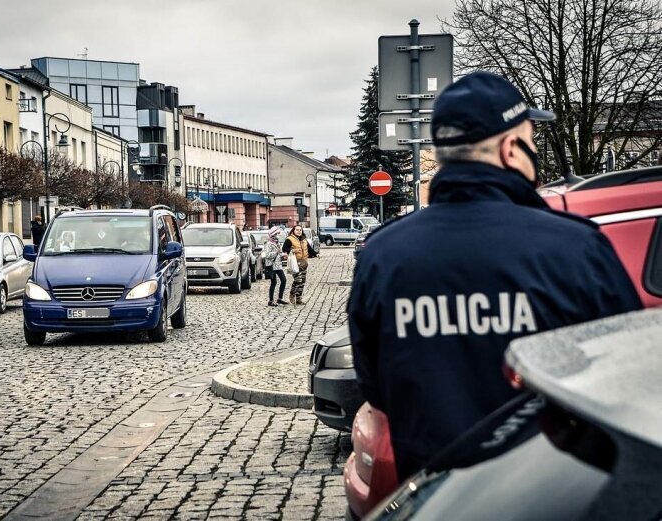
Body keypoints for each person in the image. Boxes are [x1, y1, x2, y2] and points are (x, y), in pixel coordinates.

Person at [348, 71, 642, 481]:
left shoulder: (382, 256)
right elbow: (629, 383)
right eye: (532, 141)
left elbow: (375, 388)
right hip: (553, 496)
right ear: (510, 148)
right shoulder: (576, 249)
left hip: (438, 499)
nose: (534, 151)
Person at [282, 224, 317, 305]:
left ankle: (298, 299)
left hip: (304, 263)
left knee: (302, 281)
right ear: (293, 231)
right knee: (298, 280)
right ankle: (292, 294)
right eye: (297, 230)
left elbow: (309, 249)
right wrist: (292, 250)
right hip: (295, 262)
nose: (299, 231)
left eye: (300, 230)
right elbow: (284, 248)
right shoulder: (289, 239)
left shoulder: (304, 240)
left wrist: (316, 254)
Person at [262, 227, 288, 307]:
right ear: (273, 235)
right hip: (272, 266)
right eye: (277, 234)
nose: (278, 236)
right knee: (274, 283)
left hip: (278, 266)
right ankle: (270, 300)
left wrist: (283, 255)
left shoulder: (277, 243)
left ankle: (280, 298)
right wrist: (276, 252)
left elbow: (279, 254)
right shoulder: (268, 244)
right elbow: (266, 255)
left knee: (283, 280)